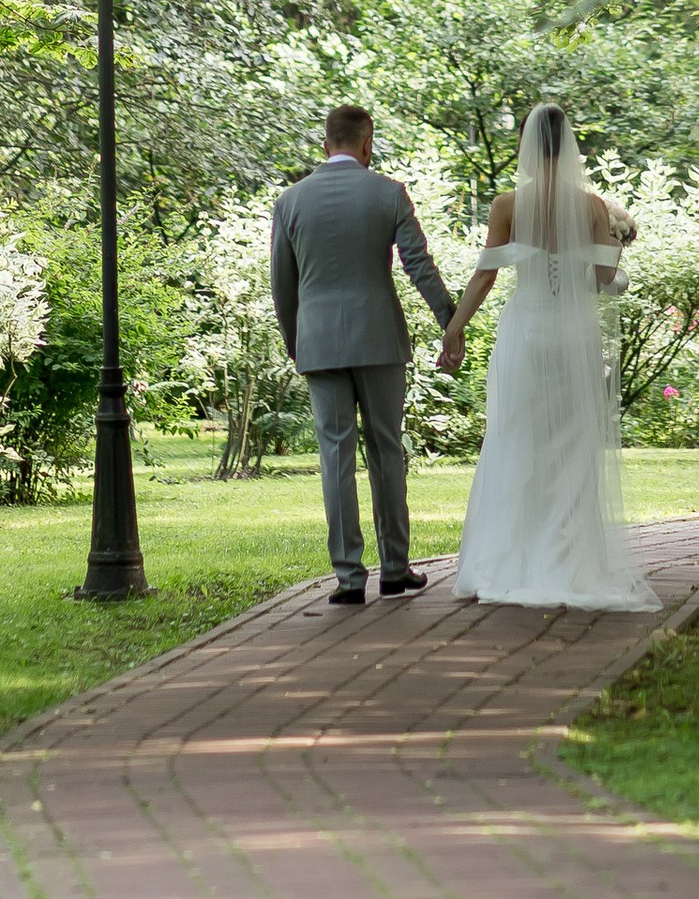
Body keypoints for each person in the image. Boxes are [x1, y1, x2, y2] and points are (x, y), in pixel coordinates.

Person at [437, 102, 659, 612]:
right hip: (575, 335)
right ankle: (569, 563)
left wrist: (454, 330)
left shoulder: (507, 205)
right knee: (575, 450)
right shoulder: (593, 207)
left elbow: (486, 276)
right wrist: (620, 249)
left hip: (528, 332)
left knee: (518, 440)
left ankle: (508, 562)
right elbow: (609, 284)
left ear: (529, 146)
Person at [270, 102, 458, 605]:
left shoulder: (290, 202)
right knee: (386, 450)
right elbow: (419, 264)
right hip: (379, 340)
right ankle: (395, 569)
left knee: (335, 456)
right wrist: (449, 321)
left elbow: (281, 286)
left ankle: (348, 579)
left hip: (319, 343)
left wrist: (296, 341)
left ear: (325, 144)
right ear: (366, 141)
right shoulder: (388, 193)